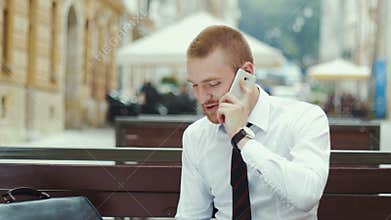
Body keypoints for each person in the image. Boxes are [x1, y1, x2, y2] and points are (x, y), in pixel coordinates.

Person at [175, 25, 330, 220]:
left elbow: (306, 195)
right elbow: (191, 215)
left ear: (246, 75)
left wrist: (242, 139)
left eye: (213, 84)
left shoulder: (305, 117)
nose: (202, 96)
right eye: (195, 86)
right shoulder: (196, 136)